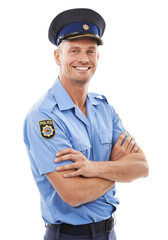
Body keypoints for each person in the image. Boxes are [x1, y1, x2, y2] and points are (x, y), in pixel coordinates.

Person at [23, 8, 149, 240]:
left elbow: (141, 166)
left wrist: (92, 168)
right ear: (58, 57)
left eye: (91, 51)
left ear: (97, 57)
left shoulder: (104, 108)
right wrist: (118, 168)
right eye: (74, 51)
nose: (84, 59)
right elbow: (74, 193)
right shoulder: (44, 117)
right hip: (69, 236)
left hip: (109, 233)